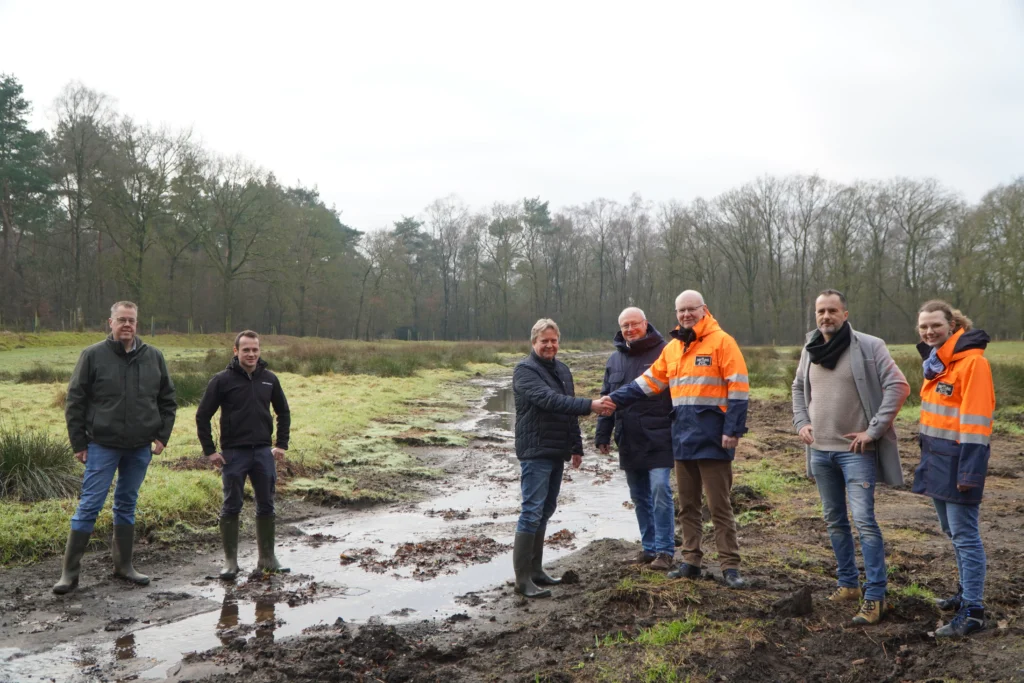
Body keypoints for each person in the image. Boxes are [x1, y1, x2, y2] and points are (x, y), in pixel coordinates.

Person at [607, 290, 749, 588]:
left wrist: (732, 430)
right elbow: (646, 383)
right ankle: (691, 560)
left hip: (714, 439)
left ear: (704, 310)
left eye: (691, 309)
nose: (686, 315)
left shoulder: (723, 342)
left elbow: (738, 388)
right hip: (682, 438)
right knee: (686, 506)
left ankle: (730, 567)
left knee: (719, 506)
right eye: (681, 310)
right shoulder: (672, 349)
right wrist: (611, 400)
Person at [791, 289, 910, 625]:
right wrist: (801, 422)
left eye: (832, 310)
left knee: (865, 523)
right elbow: (798, 388)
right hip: (819, 452)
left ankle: (876, 596)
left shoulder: (870, 346)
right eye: (820, 311)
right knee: (834, 521)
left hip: (856, 454)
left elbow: (899, 386)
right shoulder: (810, 347)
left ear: (845, 313)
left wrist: (873, 431)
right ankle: (848, 584)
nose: (825, 317)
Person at [54, 301, 177, 594]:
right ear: (109, 322)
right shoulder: (93, 356)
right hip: (102, 445)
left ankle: (124, 566)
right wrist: (79, 443)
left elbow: (168, 400)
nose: (127, 325)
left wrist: (162, 437)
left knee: (126, 504)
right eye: (121, 319)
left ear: (137, 324)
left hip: (139, 448)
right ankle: (69, 574)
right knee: (90, 505)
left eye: (131, 320)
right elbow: (75, 401)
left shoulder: (154, 357)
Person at [512, 318, 614, 598]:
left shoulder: (563, 370)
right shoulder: (524, 370)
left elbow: (566, 412)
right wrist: (591, 405)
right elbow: (549, 400)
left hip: (557, 450)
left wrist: (576, 446)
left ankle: (536, 571)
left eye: (553, 340)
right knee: (531, 511)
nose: (549, 345)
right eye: (544, 341)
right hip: (535, 451)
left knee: (545, 510)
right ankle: (522, 581)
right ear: (534, 342)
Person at [913, 300, 994, 637]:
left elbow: (977, 424)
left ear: (952, 325)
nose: (929, 332)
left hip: (959, 465)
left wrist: (969, 473)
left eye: (936, 326)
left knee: (965, 536)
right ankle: (965, 595)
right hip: (936, 461)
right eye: (923, 327)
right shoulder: (937, 364)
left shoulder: (972, 364)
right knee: (953, 534)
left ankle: (973, 612)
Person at [196, 330, 292, 578]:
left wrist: (281, 444)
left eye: (255, 349)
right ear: (235, 350)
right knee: (231, 506)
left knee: (267, 505)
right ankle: (230, 562)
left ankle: (267, 559)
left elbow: (284, 412)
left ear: (260, 351)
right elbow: (202, 415)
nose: (251, 354)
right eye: (246, 349)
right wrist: (210, 451)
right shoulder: (221, 380)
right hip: (233, 455)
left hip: (262, 453)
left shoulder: (270, 379)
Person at [596, 307, 675, 570]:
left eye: (634, 324)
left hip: (659, 436)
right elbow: (607, 398)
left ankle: (665, 550)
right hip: (628, 437)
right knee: (639, 496)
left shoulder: (666, 352)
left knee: (660, 491)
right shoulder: (614, 360)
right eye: (625, 326)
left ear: (646, 324)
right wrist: (602, 434)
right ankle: (649, 548)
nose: (630, 330)